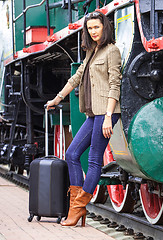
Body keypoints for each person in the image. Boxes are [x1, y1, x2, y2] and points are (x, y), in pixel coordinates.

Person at [46, 11, 121, 227]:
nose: (93, 31)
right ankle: (76, 205)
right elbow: (77, 77)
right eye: (90, 28)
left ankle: (78, 208)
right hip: (92, 112)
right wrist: (57, 98)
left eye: (96, 27)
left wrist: (108, 116)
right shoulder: (92, 51)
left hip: (106, 112)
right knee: (72, 153)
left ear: (104, 27)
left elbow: (115, 84)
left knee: (94, 159)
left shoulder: (112, 51)